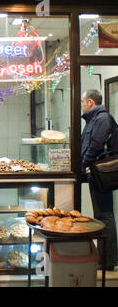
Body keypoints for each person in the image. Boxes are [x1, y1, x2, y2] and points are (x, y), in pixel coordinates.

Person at [81, 89, 118, 271]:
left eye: (82, 101)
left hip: (102, 174)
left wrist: (83, 163)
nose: (81, 104)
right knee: (101, 215)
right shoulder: (94, 119)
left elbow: (95, 145)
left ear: (90, 102)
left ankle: (108, 261)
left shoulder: (102, 119)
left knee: (105, 215)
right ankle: (103, 258)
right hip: (95, 173)